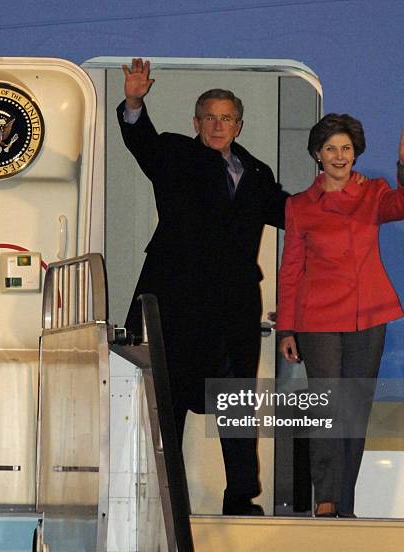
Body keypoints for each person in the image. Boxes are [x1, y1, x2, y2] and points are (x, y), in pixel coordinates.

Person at [117, 58, 290, 515]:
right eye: (210, 118)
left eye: (227, 118)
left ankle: (241, 499)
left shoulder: (255, 172)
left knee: (235, 399)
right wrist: (134, 101)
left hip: (233, 305)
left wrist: (338, 199)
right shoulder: (174, 154)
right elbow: (141, 141)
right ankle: (164, 501)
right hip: (176, 301)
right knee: (168, 400)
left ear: (239, 123)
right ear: (196, 123)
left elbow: (294, 214)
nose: (218, 125)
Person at [276, 113, 404, 518]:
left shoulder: (374, 192)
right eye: (331, 149)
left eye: (346, 148)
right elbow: (291, 268)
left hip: (368, 315)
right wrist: (286, 328)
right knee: (326, 407)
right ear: (317, 155)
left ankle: (346, 502)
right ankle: (325, 498)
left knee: (354, 411)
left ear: (355, 153)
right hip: (318, 319)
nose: (339, 156)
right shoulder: (299, 206)